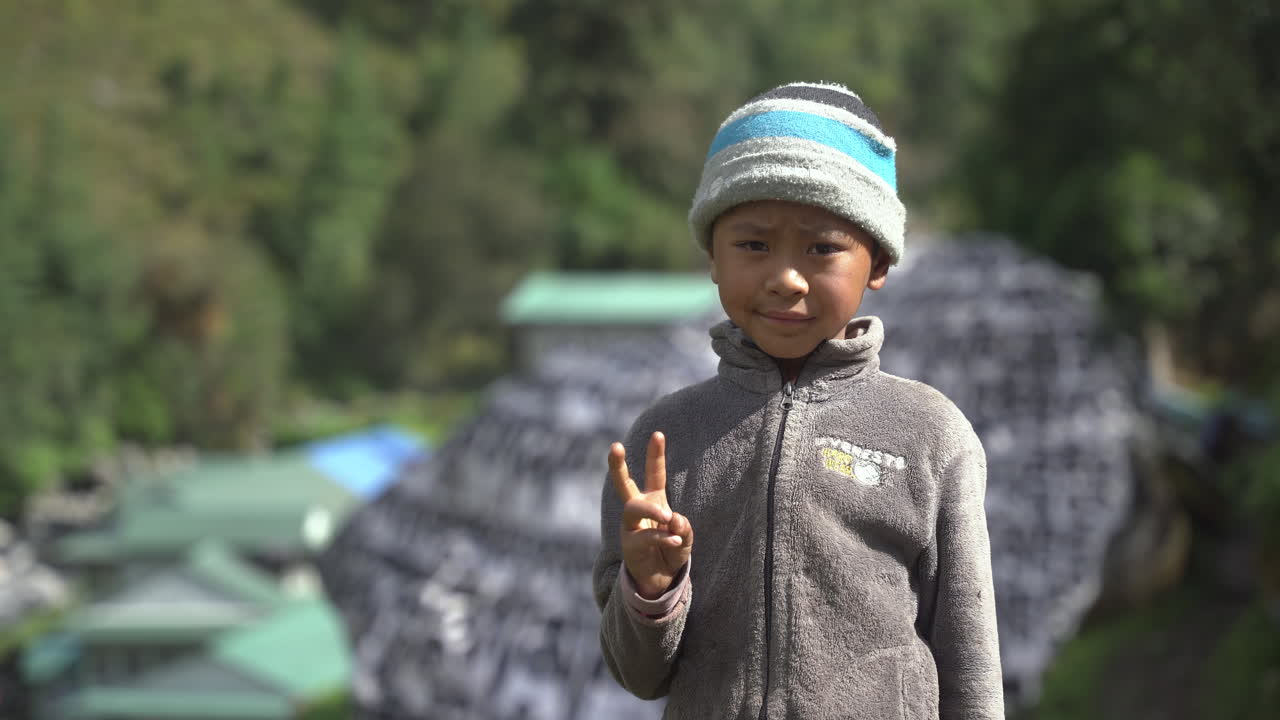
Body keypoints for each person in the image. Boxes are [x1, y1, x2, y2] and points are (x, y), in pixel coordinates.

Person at [592, 81, 1004, 719]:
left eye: (822, 248)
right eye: (753, 245)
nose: (785, 277)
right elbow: (638, 676)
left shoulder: (930, 435)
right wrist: (649, 587)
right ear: (712, 257)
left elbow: (970, 656)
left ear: (878, 263)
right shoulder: (665, 439)